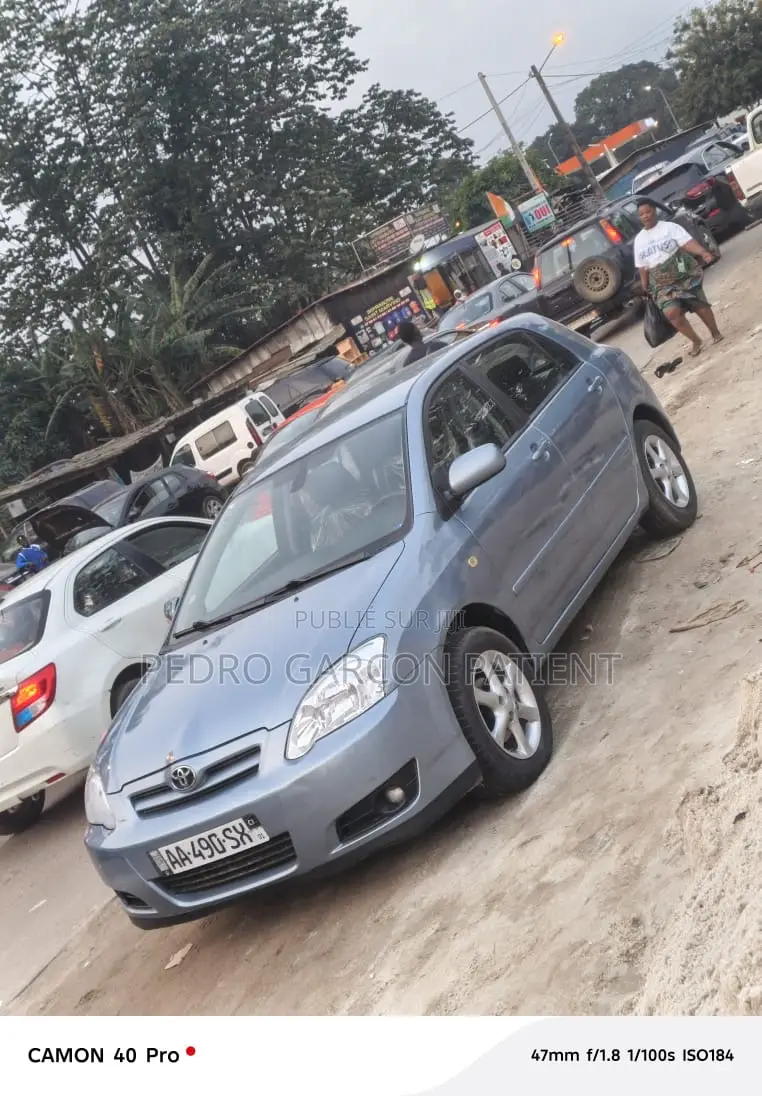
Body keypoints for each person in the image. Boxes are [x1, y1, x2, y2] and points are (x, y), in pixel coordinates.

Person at [634, 198, 723, 357]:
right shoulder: (639, 239)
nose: (645, 216)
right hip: (660, 282)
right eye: (641, 214)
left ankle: (715, 332)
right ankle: (696, 340)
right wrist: (644, 285)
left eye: (648, 212)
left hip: (682, 274)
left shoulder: (669, 228)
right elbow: (642, 265)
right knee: (671, 313)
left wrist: (703, 252)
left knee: (698, 304)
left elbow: (687, 243)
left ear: (654, 210)